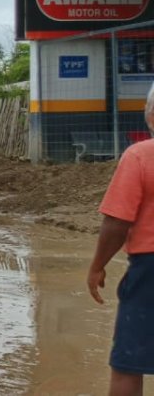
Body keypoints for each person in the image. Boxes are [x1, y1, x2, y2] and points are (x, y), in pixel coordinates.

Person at [89, 83, 154, 396]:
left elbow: (117, 220)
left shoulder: (141, 156)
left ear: (151, 116)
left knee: (128, 363)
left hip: (150, 271)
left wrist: (97, 266)